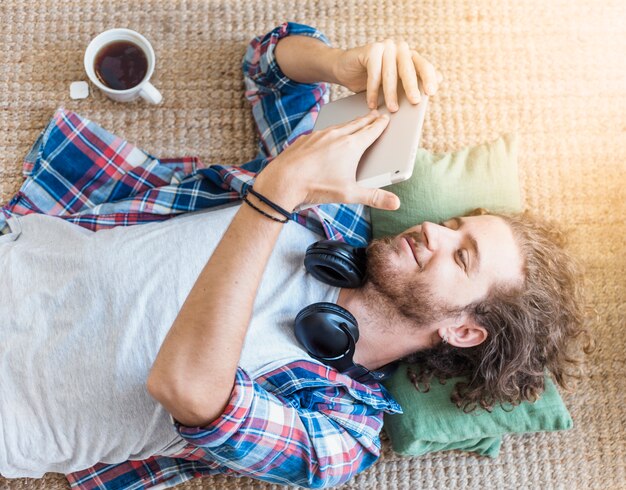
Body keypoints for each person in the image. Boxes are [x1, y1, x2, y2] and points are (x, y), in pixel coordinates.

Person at [0, 22, 587, 490]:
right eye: (454, 223)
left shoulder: (341, 430)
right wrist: (340, 66)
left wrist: (274, 195)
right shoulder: (333, 208)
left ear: (463, 331)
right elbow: (269, 64)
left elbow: (185, 388)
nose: (433, 229)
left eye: (461, 256)